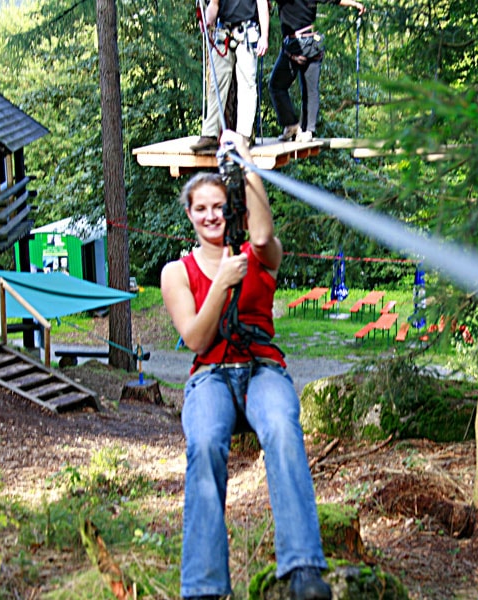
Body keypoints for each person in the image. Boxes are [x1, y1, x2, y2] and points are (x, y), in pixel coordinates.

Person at [161, 130, 332, 600]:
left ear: (231, 209)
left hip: (261, 367)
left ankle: (303, 568)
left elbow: (262, 234)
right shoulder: (177, 272)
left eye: (219, 206)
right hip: (211, 375)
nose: (210, 215)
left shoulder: (259, 254)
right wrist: (220, 284)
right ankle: (204, 586)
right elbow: (195, 338)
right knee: (205, 443)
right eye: (201, 208)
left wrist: (249, 162)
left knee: (281, 427)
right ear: (190, 214)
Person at [269, 0, 365, 143]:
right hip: (314, 43)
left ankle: (291, 124)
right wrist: (355, 4)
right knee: (311, 90)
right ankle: (307, 131)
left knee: (276, 86)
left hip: (296, 45)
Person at [189, 0, 270, 153]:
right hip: (223, 31)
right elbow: (214, 4)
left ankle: (244, 136)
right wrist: (207, 20)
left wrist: (264, 37)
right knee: (216, 84)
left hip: (247, 31)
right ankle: (210, 135)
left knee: (247, 86)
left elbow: (262, 4)